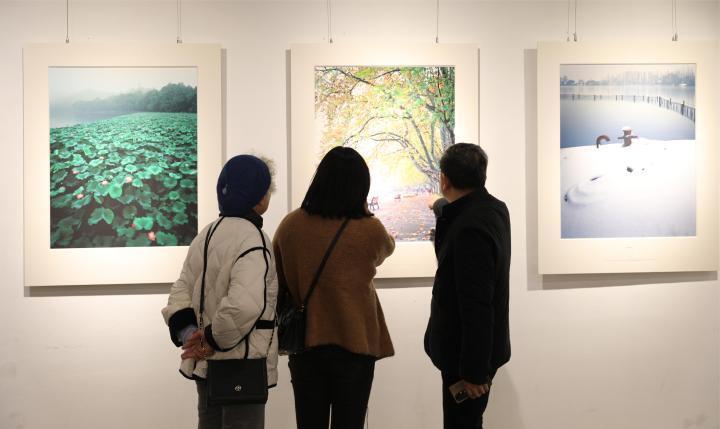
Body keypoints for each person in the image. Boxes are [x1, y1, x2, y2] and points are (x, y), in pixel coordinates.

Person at [273, 146, 395, 429]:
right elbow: (386, 248)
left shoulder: (291, 226)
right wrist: (363, 211)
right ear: (361, 187)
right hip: (355, 343)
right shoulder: (370, 229)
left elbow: (279, 280)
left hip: (306, 343)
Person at [161, 155, 278, 429]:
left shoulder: (206, 234)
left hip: (205, 365)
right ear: (258, 197)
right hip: (241, 366)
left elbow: (180, 290)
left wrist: (190, 335)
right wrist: (210, 340)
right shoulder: (254, 239)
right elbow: (244, 306)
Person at [424, 143, 511, 429]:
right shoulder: (494, 209)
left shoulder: (469, 229)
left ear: (444, 180)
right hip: (478, 352)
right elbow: (453, 210)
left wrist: (474, 372)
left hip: (464, 358)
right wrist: (437, 205)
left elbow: (476, 305)